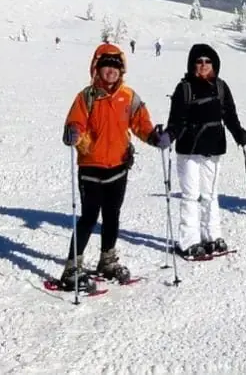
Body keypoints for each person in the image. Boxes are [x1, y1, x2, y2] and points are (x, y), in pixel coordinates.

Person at [60, 43, 171, 287]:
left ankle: (107, 260)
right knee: (89, 217)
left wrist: (154, 137)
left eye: (115, 67)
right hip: (91, 166)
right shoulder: (86, 96)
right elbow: (75, 121)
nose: (111, 71)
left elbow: (140, 123)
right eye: (106, 66)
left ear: (122, 70)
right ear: (96, 68)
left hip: (119, 167)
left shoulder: (129, 97)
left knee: (112, 215)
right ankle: (72, 268)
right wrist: (73, 133)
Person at [165, 44, 246, 259]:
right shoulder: (184, 88)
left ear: (214, 64)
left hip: (213, 149)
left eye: (207, 61)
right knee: (191, 196)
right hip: (189, 151)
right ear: (192, 64)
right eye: (199, 61)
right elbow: (176, 120)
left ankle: (212, 236)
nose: (203, 65)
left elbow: (229, 115)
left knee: (210, 195)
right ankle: (189, 241)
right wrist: (168, 135)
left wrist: (238, 133)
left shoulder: (220, 87)